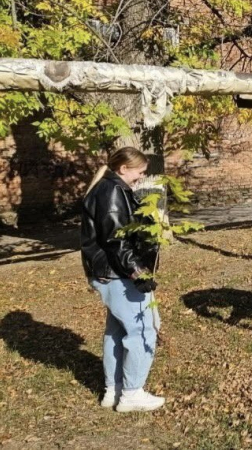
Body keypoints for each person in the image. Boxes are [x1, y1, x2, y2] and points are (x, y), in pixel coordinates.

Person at [81, 147, 164, 412]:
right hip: (117, 273)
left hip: (110, 272)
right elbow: (116, 240)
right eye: (140, 171)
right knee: (142, 331)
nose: (142, 176)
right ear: (123, 168)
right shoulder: (112, 191)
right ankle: (131, 394)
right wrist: (137, 272)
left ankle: (113, 389)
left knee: (117, 330)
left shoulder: (110, 188)